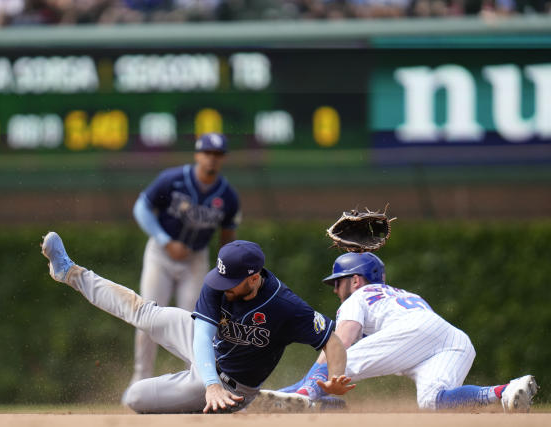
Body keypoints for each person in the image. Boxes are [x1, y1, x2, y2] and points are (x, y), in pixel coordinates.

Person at [41, 231, 355, 413]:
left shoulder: (284, 306)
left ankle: (264, 406)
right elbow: (202, 338)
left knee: (135, 398)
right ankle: (70, 273)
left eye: (231, 281)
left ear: (254, 279)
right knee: (142, 311)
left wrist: (336, 376)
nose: (222, 286)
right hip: (209, 361)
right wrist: (210, 384)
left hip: (234, 385)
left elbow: (331, 339)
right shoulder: (218, 284)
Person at [266, 252, 539, 412]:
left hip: (416, 333)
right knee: (434, 401)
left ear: (355, 281)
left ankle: (300, 397)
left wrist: (304, 386)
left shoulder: (358, 298)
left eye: (337, 283)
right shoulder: (401, 295)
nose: (336, 290)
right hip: (454, 339)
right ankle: (506, 390)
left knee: (336, 358)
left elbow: (341, 343)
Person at [130, 132, 241, 385]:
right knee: (147, 314)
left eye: (217, 154)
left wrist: (226, 275)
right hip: (161, 253)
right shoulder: (172, 179)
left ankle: (196, 381)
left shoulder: (227, 196)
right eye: (208, 153)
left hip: (195, 259)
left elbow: (228, 236)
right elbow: (141, 207)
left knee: (196, 321)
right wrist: (164, 239)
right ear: (197, 154)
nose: (212, 159)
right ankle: (141, 378)